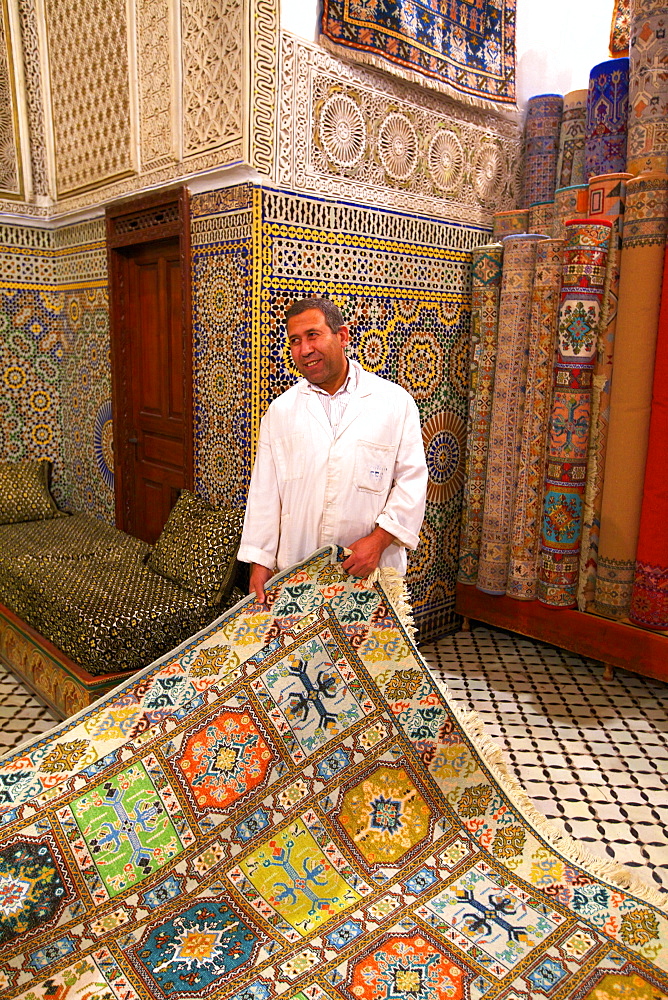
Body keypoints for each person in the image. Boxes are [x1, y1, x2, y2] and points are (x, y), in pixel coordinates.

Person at [238, 298, 428, 601]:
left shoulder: (394, 403)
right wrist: (260, 561)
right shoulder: (281, 411)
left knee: (368, 649)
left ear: (342, 336)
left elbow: (412, 481)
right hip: (298, 570)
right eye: (295, 341)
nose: (304, 350)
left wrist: (379, 541)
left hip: (369, 571)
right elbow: (265, 493)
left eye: (313, 335)